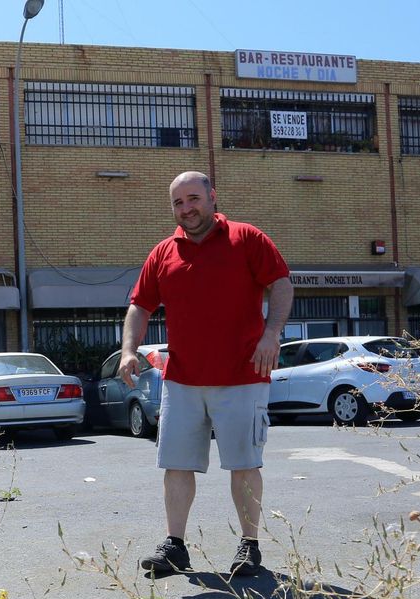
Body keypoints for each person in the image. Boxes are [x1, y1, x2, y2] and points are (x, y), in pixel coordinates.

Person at [120, 171, 293, 578]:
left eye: (193, 199)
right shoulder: (164, 252)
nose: (187, 209)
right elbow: (140, 306)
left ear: (212, 197)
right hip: (181, 380)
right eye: (178, 203)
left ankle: (249, 547)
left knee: (243, 464)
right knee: (176, 464)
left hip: (243, 376)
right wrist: (129, 350)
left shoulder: (247, 238)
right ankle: (175, 546)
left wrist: (272, 334)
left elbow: (281, 284)